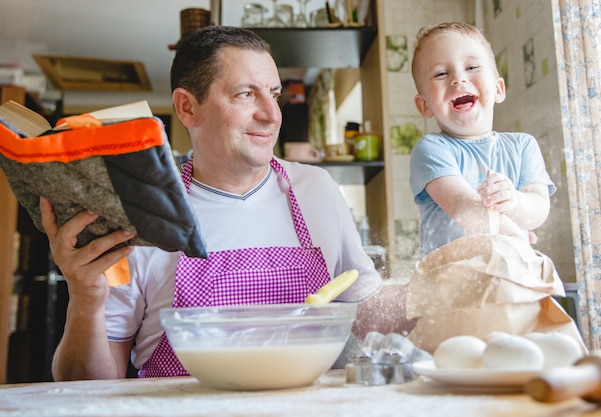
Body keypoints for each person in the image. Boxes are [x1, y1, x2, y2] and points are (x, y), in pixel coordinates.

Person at [43, 25, 382, 381]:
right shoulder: (140, 217)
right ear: (187, 108)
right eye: (246, 94)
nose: (272, 115)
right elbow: (87, 385)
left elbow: (369, 311)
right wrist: (85, 300)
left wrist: (433, 289)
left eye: (274, 94)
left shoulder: (318, 189)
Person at [408, 22, 556, 257]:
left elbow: (538, 210)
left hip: (510, 269)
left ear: (498, 89)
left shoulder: (523, 146)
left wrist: (514, 202)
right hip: (451, 277)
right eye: (441, 73)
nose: (458, 79)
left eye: (472, 67)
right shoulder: (431, 149)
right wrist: (513, 235)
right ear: (424, 105)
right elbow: (463, 207)